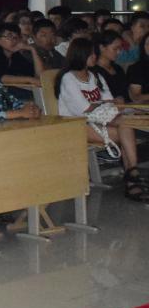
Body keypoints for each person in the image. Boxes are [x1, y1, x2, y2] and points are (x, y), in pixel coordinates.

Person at [56, 37, 145, 202]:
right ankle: (132, 176)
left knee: (125, 126)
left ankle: (132, 175)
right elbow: (83, 109)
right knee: (126, 131)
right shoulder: (69, 78)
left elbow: (108, 99)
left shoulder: (94, 75)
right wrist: (105, 103)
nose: (94, 57)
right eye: (91, 54)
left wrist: (106, 103)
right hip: (76, 124)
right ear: (80, 55)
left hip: (98, 120)